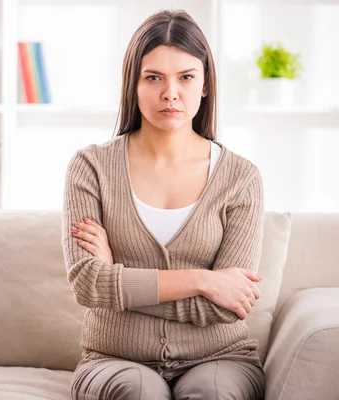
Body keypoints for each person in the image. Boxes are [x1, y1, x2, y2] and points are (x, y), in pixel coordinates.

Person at [63, 10, 265, 400]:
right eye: (153, 77)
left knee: (214, 394)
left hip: (220, 356)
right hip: (112, 359)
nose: (170, 93)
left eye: (186, 77)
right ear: (133, 85)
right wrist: (202, 280)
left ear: (205, 85)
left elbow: (225, 308)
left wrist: (118, 281)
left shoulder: (241, 178)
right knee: (139, 391)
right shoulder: (90, 167)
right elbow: (89, 284)